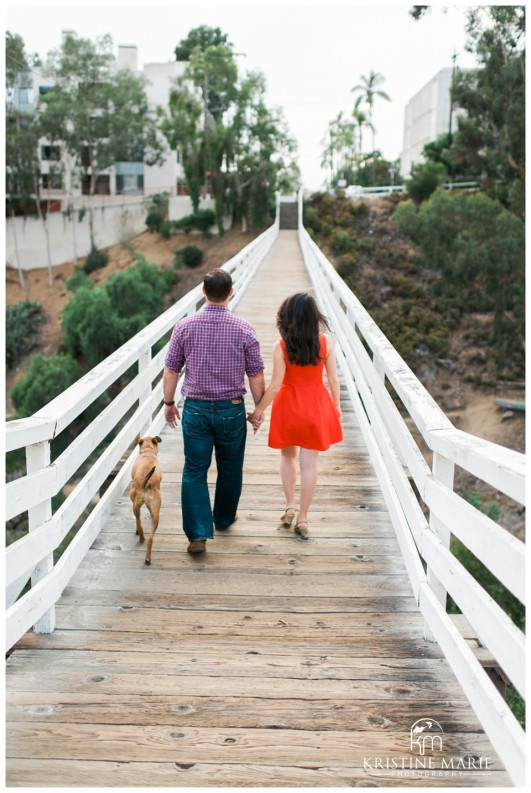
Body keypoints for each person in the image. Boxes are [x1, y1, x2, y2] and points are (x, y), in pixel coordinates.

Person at [163, 268, 265, 554]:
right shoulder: (245, 329)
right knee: (230, 467)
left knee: (194, 469)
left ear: (203, 292)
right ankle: (222, 518)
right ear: (230, 292)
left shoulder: (185, 327)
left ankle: (197, 534)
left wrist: (169, 404)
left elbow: (171, 370)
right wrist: (258, 410)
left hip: (195, 409)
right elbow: (255, 376)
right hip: (231, 410)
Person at [247, 293, 342, 537]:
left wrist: (258, 411)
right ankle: (302, 518)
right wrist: (337, 406)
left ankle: (289, 505)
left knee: (288, 457)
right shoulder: (325, 343)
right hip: (315, 405)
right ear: (314, 318)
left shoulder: (280, 346)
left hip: (288, 407)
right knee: (309, 465)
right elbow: (332, 378)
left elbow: (276, 385)